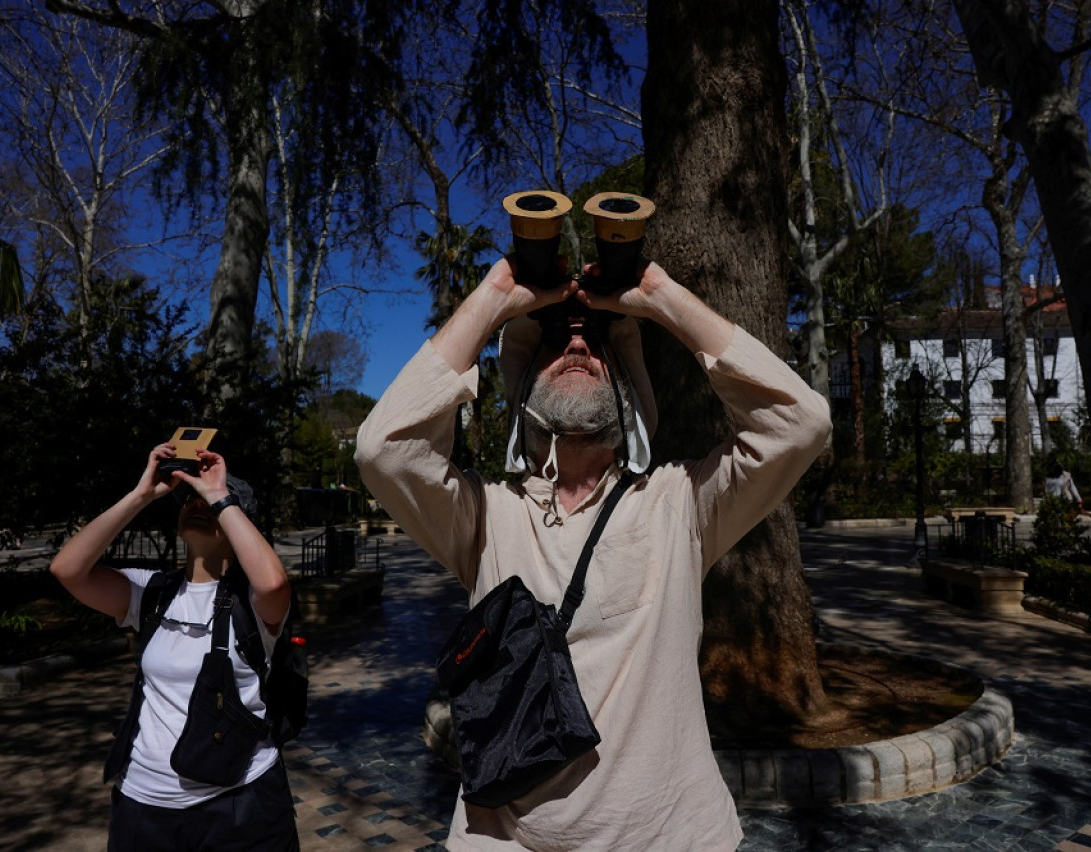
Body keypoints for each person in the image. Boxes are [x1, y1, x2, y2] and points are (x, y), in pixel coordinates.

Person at [355, 256, 831, 850]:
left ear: (628, 388)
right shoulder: (482, 514)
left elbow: (801, 423)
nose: (576, 345)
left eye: (597, 342)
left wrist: (659, 295)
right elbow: (382, 450)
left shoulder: (680, 502)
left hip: (674, 839)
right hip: (503, 838)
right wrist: (498, 294)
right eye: (553, 340)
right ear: (524, 389)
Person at [50, 443, 298, 852]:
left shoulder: (251, 601)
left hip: (241, 802)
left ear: (238, 519)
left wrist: (219, 496)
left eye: (209, 502)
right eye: (189, 500)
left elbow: (274, 584)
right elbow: (68, 570)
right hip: (144, 807)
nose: (196, 505)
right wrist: (141, 495)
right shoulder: (151, 591)